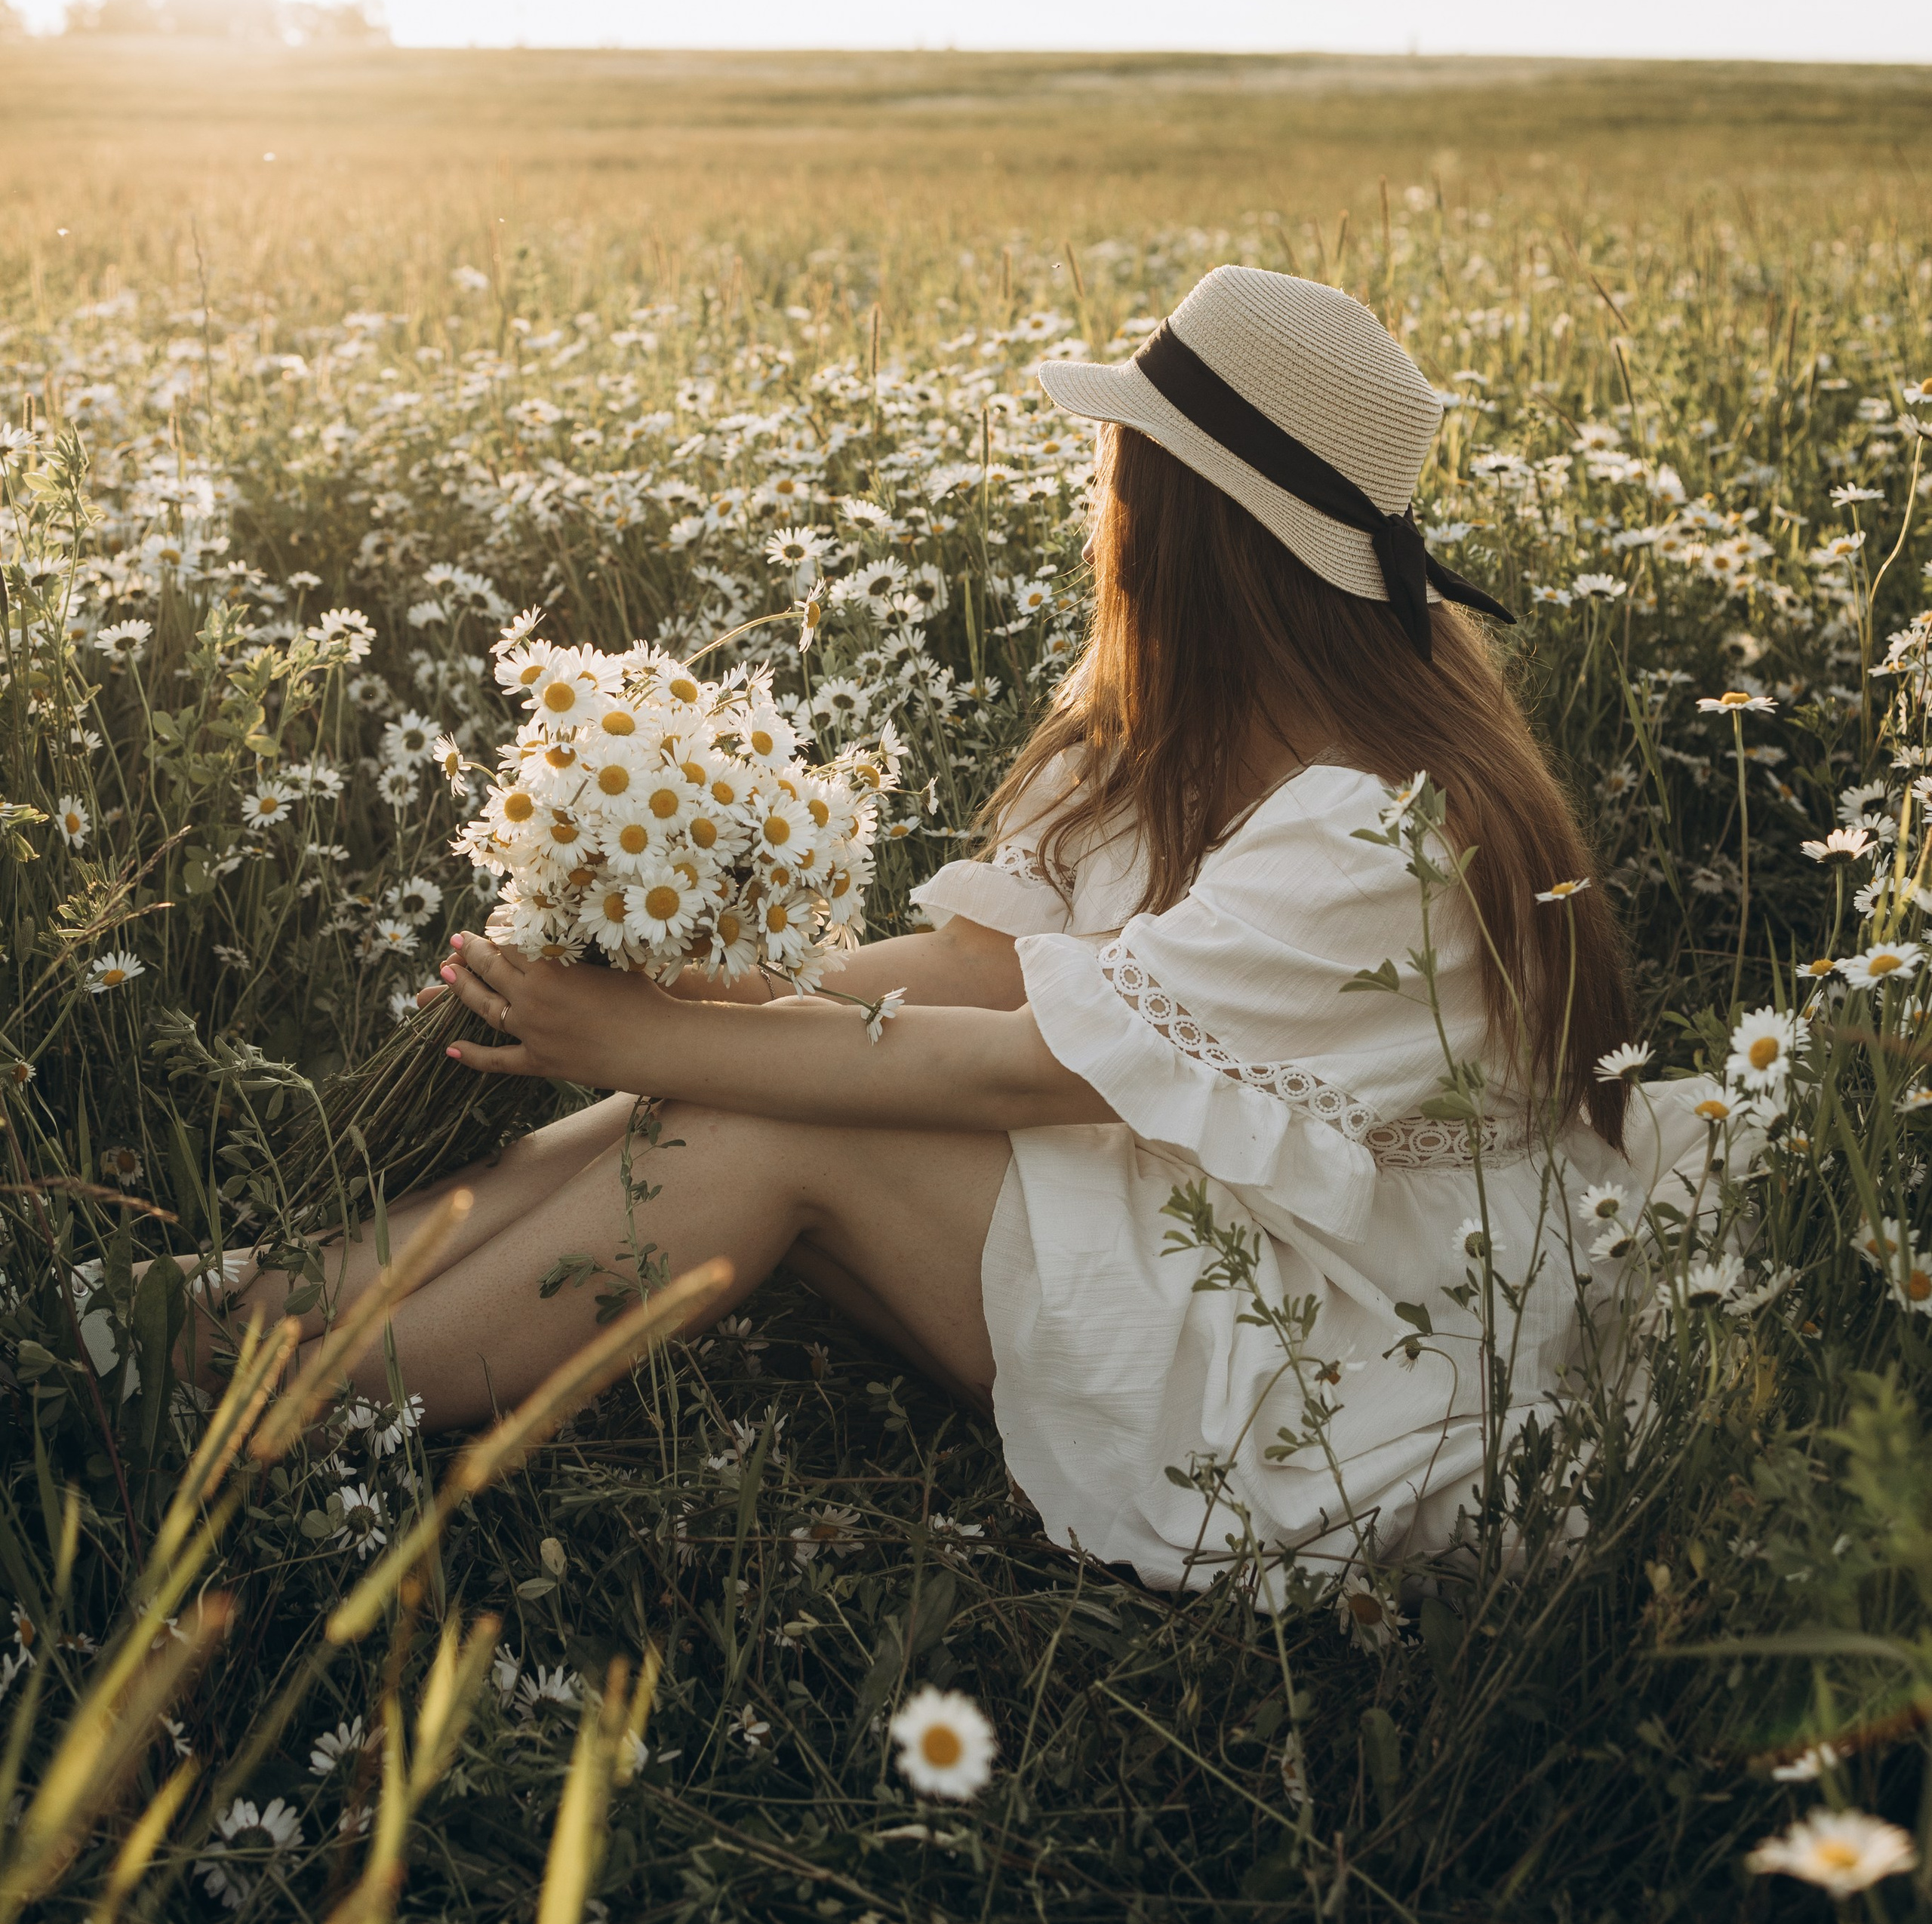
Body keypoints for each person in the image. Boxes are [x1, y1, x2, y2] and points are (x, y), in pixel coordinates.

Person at [223, 266, 1676, 1591]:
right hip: (1188, 1215)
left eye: (1123, 473)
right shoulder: (1172, 739)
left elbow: (1021, 1066)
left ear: (1190, 529)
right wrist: (703, 989)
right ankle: (235, 1310)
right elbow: (986, 968)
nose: (1100, 501)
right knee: (713, 1082)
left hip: (1329, 1334)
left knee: (760, 1120)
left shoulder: (1378, 834)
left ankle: (270, 1402)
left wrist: (657, 1032)